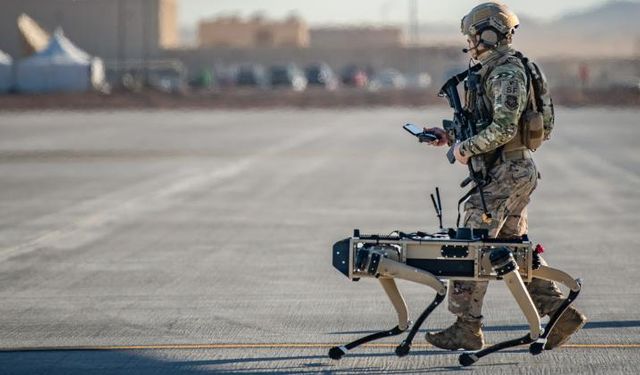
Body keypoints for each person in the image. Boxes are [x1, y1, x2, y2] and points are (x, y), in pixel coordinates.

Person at [423, 2, 586, 351]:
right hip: (509, 170)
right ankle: (560, 314)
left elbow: (503, 128)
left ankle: (467, 327)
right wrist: (450, 136)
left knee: (471, 246)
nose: (469, 42)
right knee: (511, 251)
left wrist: (464, 149)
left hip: (507, 172)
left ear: (489, 34)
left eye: (473, 35)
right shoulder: (495, 69)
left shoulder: (505, 72)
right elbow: (491, 127)